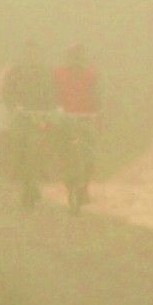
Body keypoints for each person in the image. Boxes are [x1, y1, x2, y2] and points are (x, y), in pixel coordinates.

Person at [0, 42, 55, 211]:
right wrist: (13, 107)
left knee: (37, 149)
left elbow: (52, 93)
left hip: (38, 116)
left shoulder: (45, 73)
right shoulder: (16, 72)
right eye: (28, 53)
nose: (31, 56)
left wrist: (48, 111)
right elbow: (7, 92)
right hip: (20, 116)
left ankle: (39, 177)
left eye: (34, 52)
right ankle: (26, 182)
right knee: (19, 149)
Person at [52, 45, 101, 213]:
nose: (76, 61)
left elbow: (97, 96)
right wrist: (55, 110)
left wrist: (97, 114)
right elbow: (52, 94)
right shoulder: (58, 74)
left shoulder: (90, 75)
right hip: (64, 119)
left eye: (79, 57)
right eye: (74, 57)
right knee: (62, 152)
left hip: (86, 119)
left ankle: (84, 185)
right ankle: (69, 183)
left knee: (91, 155)